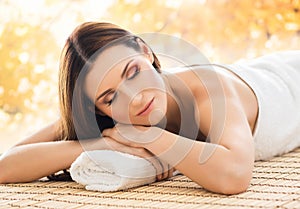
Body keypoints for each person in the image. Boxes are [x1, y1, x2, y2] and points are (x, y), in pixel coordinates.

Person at [0, 22, 299, 195]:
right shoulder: (109, 120)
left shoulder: (210, 89)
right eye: (110, 97)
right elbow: (6, 164)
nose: (136, 98)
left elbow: (235, 175)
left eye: (132, 72)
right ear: (98, 108)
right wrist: (96, 143)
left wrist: (150, 138)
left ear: (145, 51)